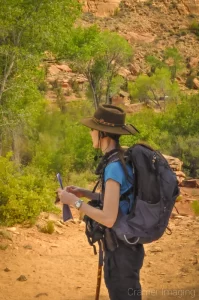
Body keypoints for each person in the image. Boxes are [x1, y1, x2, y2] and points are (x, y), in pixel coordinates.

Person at [58, 104, 145, 300]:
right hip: (129, 249)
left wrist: (74, 202)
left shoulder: (113, 168)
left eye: (92, 129)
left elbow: (108, 217)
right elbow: (118, 200)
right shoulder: (122, 159)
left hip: (121, 253)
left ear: (103, 133)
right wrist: (85, 193)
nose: (90, 133)